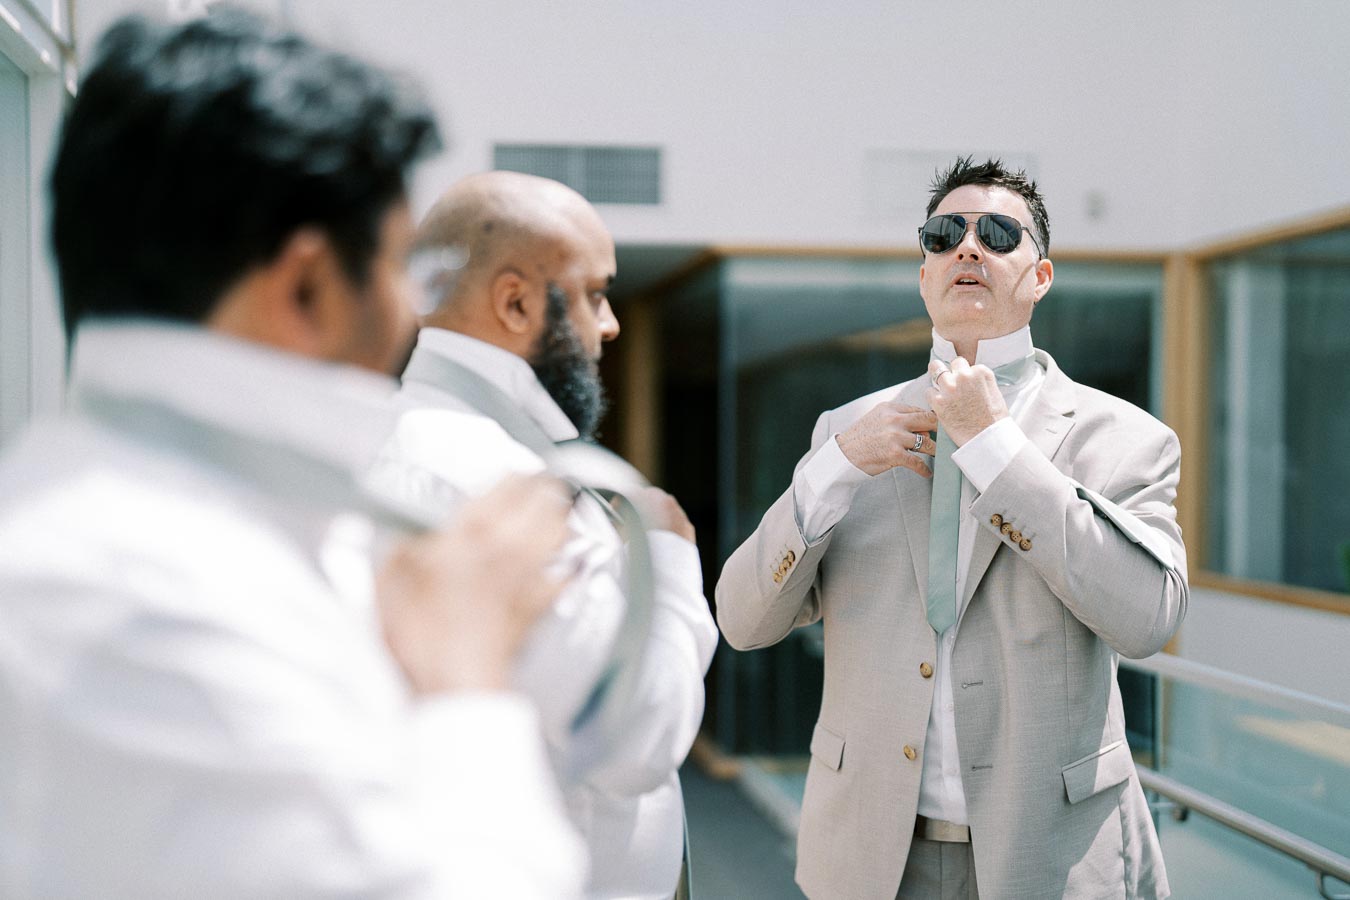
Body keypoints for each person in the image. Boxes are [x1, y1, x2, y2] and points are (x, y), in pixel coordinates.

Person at [0, 11, 586, 897]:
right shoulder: (157, 603)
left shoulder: (97, 516)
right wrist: (463, 679)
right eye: (398, 270)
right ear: (307, 284)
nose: (410, 312)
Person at [716, 157, 1188, 899]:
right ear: (925, 274)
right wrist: (835, 466)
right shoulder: (846, 430)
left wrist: (997, 448)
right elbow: (742, 622)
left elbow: (1147, 619)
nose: (968, 247)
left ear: (1040, 276)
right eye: (945, 234)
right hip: (870, 857)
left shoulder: (1125, 437)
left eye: (999, 233)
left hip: (1047, 858)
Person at [372, 170, 719, 900]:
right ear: (516, 300)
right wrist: (669, 561)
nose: (611, 323)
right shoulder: (506, 487)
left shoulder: (407, 440)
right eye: (595, 293)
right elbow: (642, 738)